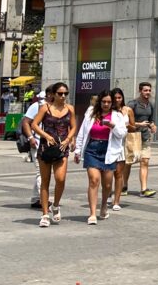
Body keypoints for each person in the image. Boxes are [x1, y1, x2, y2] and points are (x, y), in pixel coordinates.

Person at [74, 89, 127, 224]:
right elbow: (82, 132)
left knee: (107, 184)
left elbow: (122, 134)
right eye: (103, 101)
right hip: (92, 149)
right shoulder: (91, 114)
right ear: (99, 102)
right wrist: (78, 150)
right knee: (94, 180)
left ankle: (103, 205)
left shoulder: (117, 116)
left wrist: (112, 126)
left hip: (109, 151)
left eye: (109, 102)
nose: (106, 104)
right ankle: (92, 213)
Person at [31, 82, 76, 228]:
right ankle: (44, 214)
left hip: (62, 148)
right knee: (45, 181)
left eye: (65, 94)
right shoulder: (46, 108)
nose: (63, 96)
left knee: (60, 179)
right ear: (54, 95)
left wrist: (69, 139)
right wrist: (46, 136)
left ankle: (55, 205)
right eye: (60, 94)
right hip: (46, 148)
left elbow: (74, 126)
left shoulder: (70, 109)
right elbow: (34, 124)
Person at [124, 81, 157, 197]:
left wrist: (152, 125)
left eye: (149, 90)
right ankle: (124, 186)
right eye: (145, 90)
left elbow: (151, 120)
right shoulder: (132, 104)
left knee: (145, 161)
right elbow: (125, 122)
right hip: (133, 137)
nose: (148, 92)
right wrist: (139, 124)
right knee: (128, 163)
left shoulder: (150, 105)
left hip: (145, 137)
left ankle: (143, 189)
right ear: (140, 91)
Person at [22, 88, 49, 205]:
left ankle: (35, 198)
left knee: (41, 172)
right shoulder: (35, 106)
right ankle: (43, 199)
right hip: (37, 143)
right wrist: (30, 138)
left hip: (47, 144)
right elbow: (25, 122)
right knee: (40, 172)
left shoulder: (53, 107)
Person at [109, 87, 134, 210]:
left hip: (123, 143)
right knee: (108, 174)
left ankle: (116, 201)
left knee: (119, 174)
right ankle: (108, 193)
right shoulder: (108, 110)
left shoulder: (128, 110)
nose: (118, 100)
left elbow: (134, 127)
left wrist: (127, 126)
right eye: (115, 98)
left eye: (120, 97)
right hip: (109, 144)